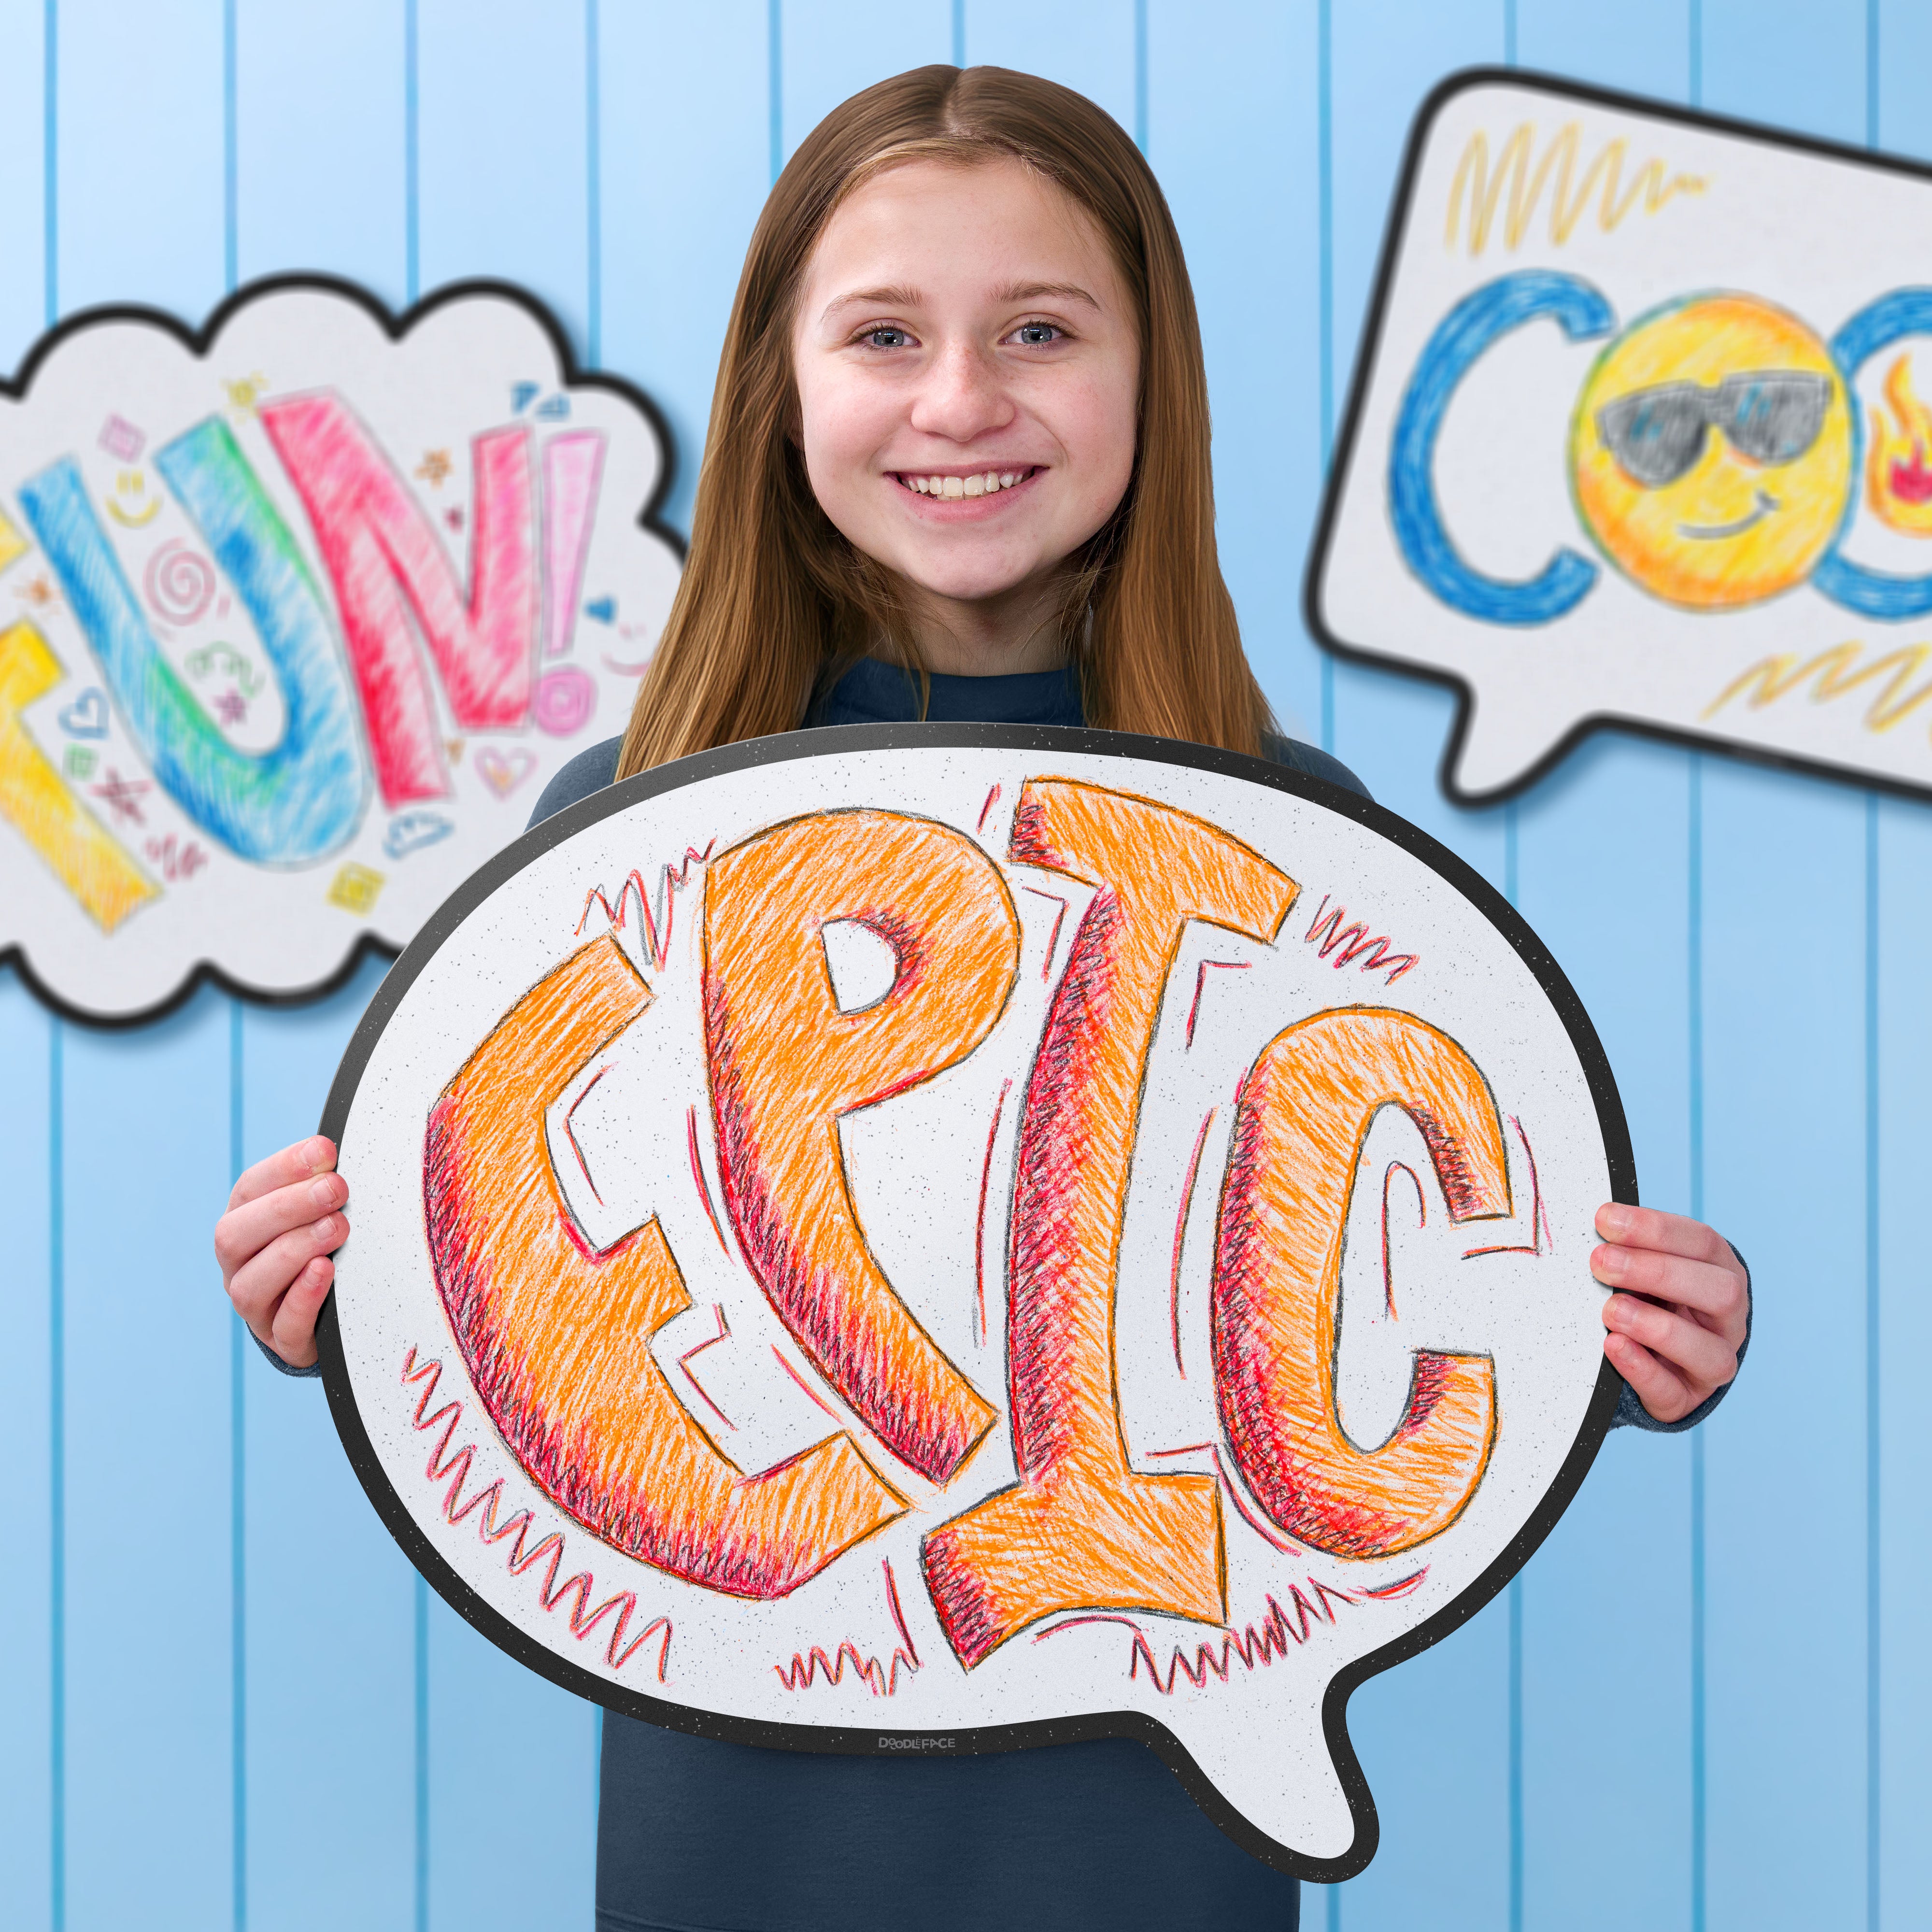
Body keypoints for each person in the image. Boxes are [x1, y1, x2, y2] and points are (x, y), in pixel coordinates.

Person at [213, 65, 1751, 1932]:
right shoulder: (607, 847)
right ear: (783, 389)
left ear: (1147, 380)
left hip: (1152, 1831)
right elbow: (522, 1294)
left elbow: (1388, 1293)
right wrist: (350, 1288)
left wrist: (1616, 1332)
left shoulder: (1311, 857)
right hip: (742, 1826)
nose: (960, 400)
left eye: (1039, 328)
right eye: (884, 333)